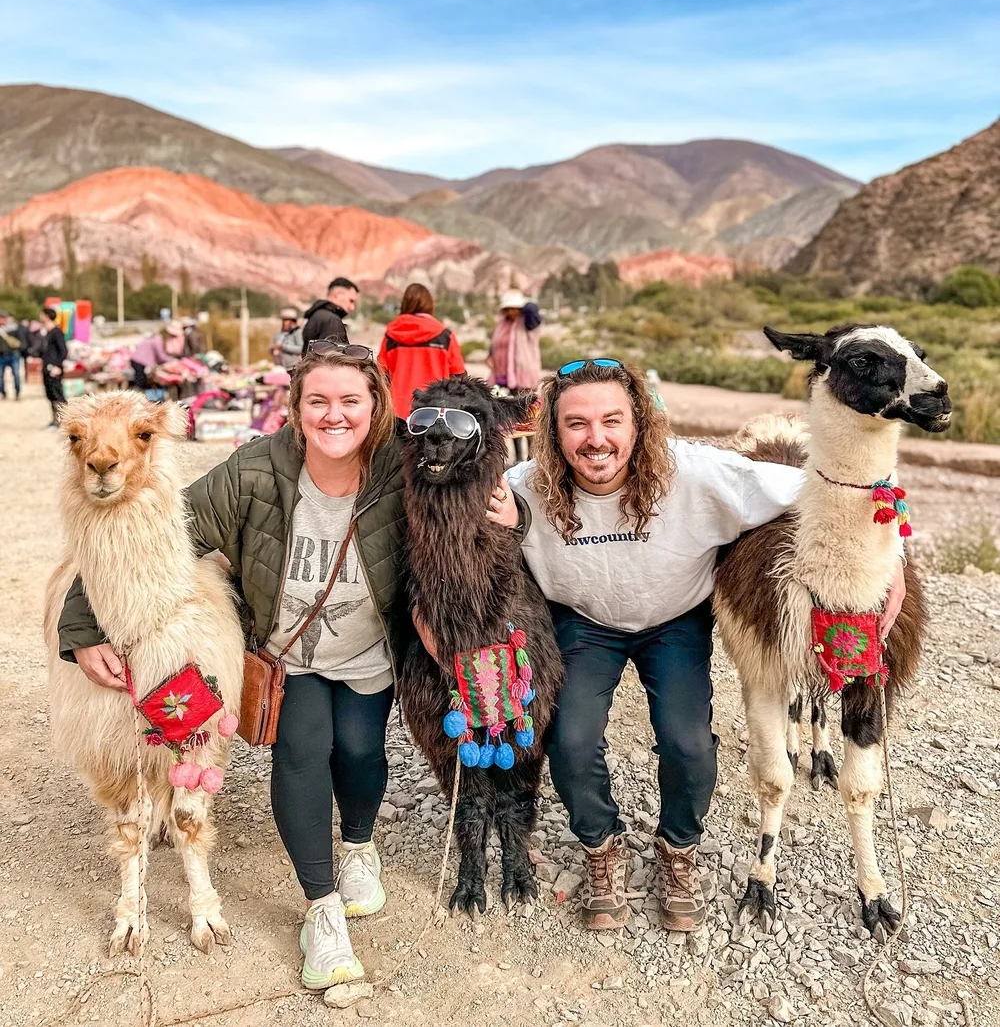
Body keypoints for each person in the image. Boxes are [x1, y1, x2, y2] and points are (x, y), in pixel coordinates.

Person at [58, 342, 511, 989]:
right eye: (318, 401)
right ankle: (321, 911)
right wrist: (79, 627)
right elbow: (147, 538)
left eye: (350, 401)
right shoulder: (254, 470)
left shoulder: (401, 465)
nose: (334, 415)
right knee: (302, 755)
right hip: (287, 654)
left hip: (366, 653)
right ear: (295, 409)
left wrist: (512, 521)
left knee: (359, 752)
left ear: (375, 406)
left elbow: (471, 519)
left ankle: (359, 843)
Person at [492, 358, 811, 933]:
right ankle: (601, 848)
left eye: (612, 420)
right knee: (569, 737)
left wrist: (890, 543)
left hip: (675, 619)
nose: (596, 439)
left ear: (639, 422)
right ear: (553, 432)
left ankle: (678, 849)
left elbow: (818, 492)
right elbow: (444, 524)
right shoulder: (523, 490)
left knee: (688, 743)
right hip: (586, 622)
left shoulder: (699, 473)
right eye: (577, 424)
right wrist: (503, 528)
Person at [377, 283, 465, 418]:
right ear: (429, 304)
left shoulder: (391, 336)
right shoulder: (445, 335)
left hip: (398, 412)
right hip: (436, 411)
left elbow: (381, 375)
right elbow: (460, 376)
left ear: (405, 303)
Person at [487, 288, 543, 393]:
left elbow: (531, 308)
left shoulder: (528, 321)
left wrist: (522, 300)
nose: (510, 312)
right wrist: (490, 354)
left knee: (524, 405)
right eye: (507, 309)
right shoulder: (503, 323)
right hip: (502, 374)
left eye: (514, 308)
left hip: (523, 374)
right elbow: (496, 341)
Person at [302, 277, 359, 355]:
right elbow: (334, 362)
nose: (352, 308)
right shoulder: (332, 321)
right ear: (338, 295)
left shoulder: (317, 314)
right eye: (351, 301)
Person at [39, 306, 68, 427]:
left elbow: (63, 351)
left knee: (58, 395)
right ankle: (55, 420)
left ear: (46, 316)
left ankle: (64, 421)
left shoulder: (57, 332)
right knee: (50, 395)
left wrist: (57, 366)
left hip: (54, 370)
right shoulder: (47, 332)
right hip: (46, 368)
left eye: (42, 314)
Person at [129, 324, 178, 391]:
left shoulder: (155, 338)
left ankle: (138, 394)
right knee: (141, 381)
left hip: (136, 359)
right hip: (140, 361)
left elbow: (157, 356)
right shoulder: (158, 339)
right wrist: (172, 360)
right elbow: (160, 355)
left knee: (141, 379)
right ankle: (137, 396)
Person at [0, 312, 23, 400]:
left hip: (13, 354)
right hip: (1, 355)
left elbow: (20, 341)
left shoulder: (13, 328)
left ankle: (17, 392)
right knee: (0, 377)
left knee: (16, 375)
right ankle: (3, 392)